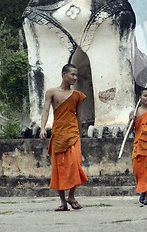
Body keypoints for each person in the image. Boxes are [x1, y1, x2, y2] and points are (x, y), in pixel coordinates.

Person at [40, 63, 88, 211]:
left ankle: (71, 196)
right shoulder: (51, 92)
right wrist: (42, 128)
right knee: (58, 167)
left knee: (75, 164)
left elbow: (79, 116)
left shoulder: (77, 95)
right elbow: (46, 110)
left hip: (73, 133)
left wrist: (79, 134)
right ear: (63, 74)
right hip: (58, 133)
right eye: (72, 74)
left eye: (76, 75)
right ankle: (62, 201)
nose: (75, 77)